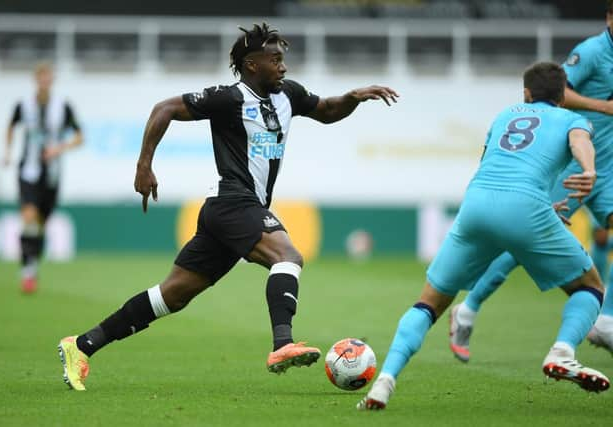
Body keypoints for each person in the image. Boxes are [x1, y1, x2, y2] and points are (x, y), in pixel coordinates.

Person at [56, 22, 398, 391]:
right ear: (253, 65)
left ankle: (82, 345)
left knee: (171, 296)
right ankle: (282, 344)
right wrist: (144, 164)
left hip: (233, 212)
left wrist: (354, 96)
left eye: (283, 59)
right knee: (288, 256)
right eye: (275, 59)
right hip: (233, 202)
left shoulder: (289, 96)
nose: (283, 67)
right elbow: (165, 108)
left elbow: (328, 110)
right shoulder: (229, 99)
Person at [358, 62, 610, 411]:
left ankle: (383, 382)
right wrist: (589, 170)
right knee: (590, 287)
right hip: (527, 208)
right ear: (563, 96)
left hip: (476, 204)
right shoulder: (571, 119)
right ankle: (563, 351)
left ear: (526, 93)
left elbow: (489, 162)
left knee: (428, 302)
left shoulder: (505, 115)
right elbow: (580, 141)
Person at [449, 2, 613, 363]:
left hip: (607, 171)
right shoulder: (592, 52)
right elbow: (560, 94)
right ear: (608, 18)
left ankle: (606, 318)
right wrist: (605, 107)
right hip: (571, 169)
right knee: (521, 244)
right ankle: (468, 308)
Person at [3, 62, 83, 293]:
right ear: (36, 79)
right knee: (29, 216)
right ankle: (27, 272)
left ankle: (32, 263)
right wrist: (8, 152)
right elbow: (10, 126)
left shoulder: (62, 107)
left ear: (52, 80)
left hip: (52, 175)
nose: (45, 81)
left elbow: (79, 136)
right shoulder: (24, 105)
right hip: (28, 171)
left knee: (40, 224)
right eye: (41, 77)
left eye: (49, 77)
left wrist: (59, 149)